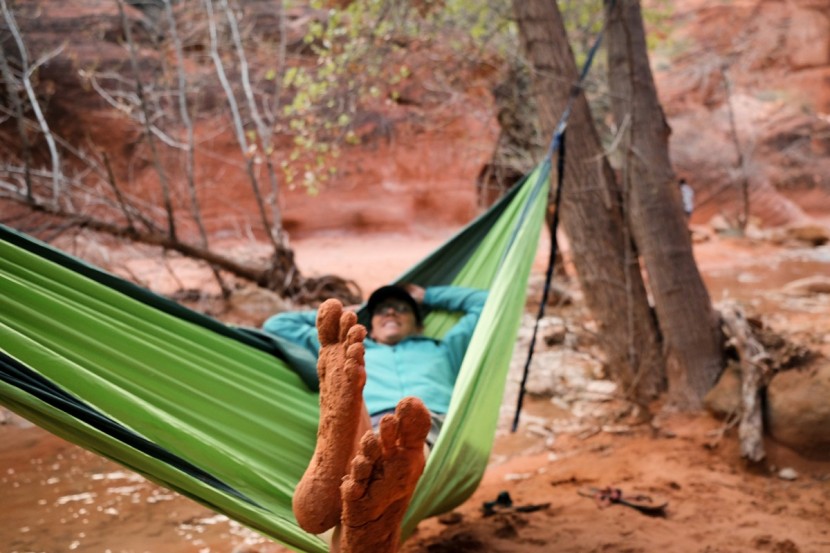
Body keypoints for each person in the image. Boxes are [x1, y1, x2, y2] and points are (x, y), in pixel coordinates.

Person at [262, 284, 487, 553]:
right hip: (372, 420)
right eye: (381, 310)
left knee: (403, 438)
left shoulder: (444, 348)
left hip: (431, 423)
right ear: (371, 323)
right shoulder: (353, 346)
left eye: (402, 308)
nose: (391, 312)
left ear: (419, 326)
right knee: (371, 435)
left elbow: (485, 302)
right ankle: (366, 463)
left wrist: (428, 295)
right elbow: (277, 324)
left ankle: (347, 476)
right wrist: (355, 311)